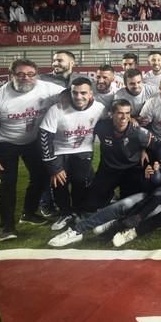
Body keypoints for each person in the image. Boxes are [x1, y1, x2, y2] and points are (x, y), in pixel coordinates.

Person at [48, 140, 161, 247]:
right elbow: (154, 184)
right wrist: (152, 175)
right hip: (152, 195)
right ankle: (78, 230)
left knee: (144, 213)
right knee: (123, 204)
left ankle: (113, 225)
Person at [0, 59, 64, 241]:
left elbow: (75, 94)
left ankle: (28, 213)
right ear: (11, 75)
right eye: (20, 74)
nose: (26, 78)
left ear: (37, 75)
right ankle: (7, 227)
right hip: (5, 143)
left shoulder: (48, 89)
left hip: (32, 141)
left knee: (41, 177)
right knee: (8, 183)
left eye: (31, 74)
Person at [39, 77, 106, 231]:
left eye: (83, 93)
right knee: (59, 183)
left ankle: (77, 212)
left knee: (79, 182)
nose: (78, 97)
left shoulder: (99, 108)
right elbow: (44, 136)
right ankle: (65, 213)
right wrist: (53, 166)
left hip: (83, 151)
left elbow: (112, 119)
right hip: (59, 151)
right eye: (74, 93)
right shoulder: (57, 109)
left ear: (90, 94)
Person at [82, 99, 161, 212]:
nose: (124, 117)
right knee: (90, 206)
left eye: (127, 113)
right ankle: (109, 195)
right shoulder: (102, 127)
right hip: (108, 169)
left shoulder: (139, 132)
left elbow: (159, 146)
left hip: (130, 170)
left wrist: (153, 163)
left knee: (128, 208)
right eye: (120, 113)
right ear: (112, 114)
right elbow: (86, 131)